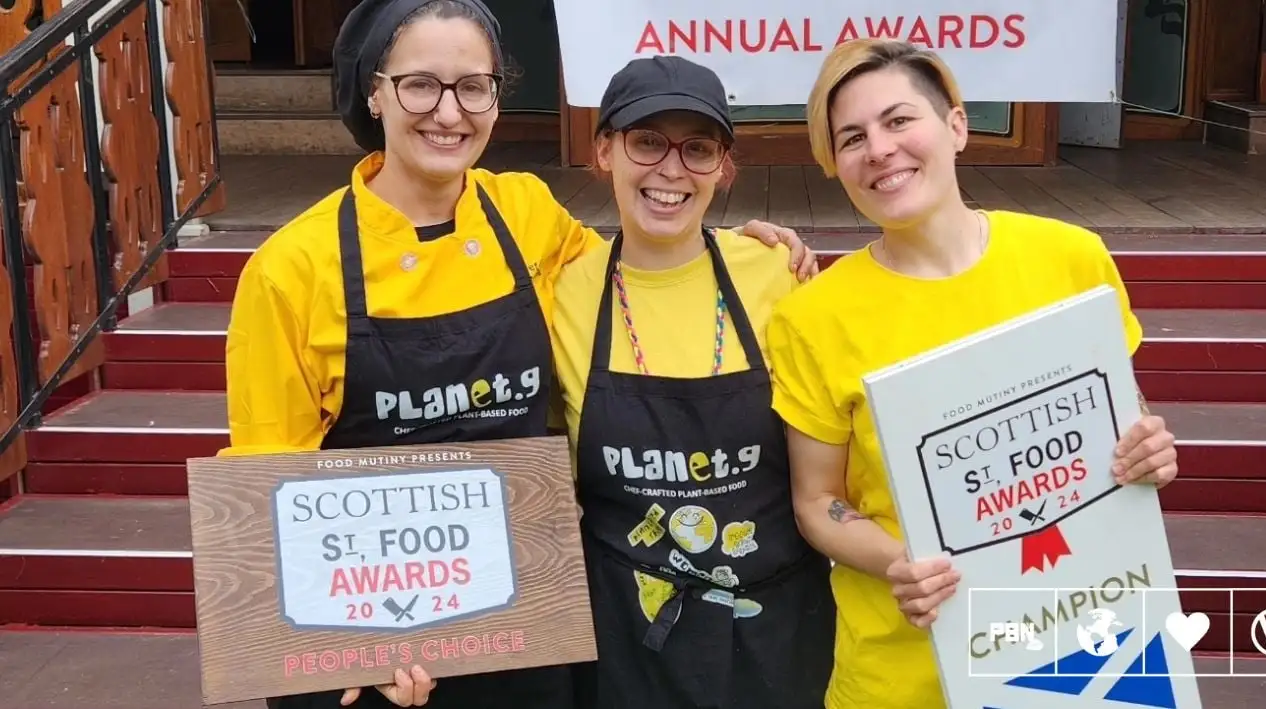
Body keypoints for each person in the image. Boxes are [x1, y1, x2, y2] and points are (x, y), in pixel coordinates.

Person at [220, 1, 816, 707]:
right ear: (372, 91)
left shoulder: (527, 215)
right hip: (370, 642)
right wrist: (345, 645)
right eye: (420, 84)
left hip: (525, 621)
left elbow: (645, 278)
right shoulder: (290, 268)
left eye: (474, 86)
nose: (449, 111)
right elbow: (265, 485)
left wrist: (739, 255)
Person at [764, 39, 1181, 709]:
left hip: (1086, 651)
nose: (879, 149)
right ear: (835, 165)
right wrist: (898, 562)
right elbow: (818, 502)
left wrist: (1149, 451)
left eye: (900, 120)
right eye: (851, 137)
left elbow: (1126, 417)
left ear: (956, 125)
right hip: (907, 669)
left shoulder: (1070, 259)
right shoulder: (812, 318)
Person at [549, 56, 836, 709]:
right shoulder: (561, 287)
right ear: (604, 150)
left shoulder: (774, 272)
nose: (671, 169)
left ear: (723, 168)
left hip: (777, 632)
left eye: (698, 149)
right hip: (627, 637)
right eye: (647, 141)